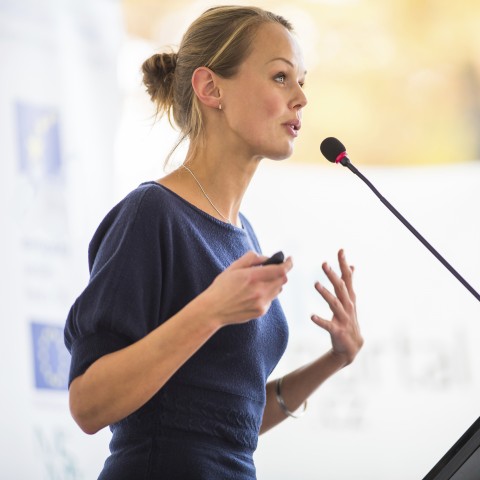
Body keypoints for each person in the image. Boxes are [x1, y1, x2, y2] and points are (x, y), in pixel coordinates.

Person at [64, 5, 364, 479]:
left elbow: (223, 426)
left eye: (303, 80)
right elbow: (88, 404)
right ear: (210, 88)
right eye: (281, 77)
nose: (302, 97)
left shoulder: (242, 232)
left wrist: (334, 360)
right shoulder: (152, 214)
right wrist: (211, 311)